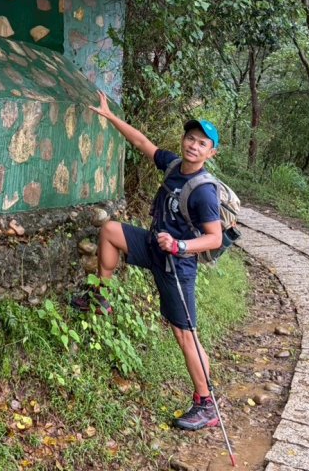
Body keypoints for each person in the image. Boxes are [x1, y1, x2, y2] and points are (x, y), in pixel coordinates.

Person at [71, 90, 224, 431]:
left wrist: (181, 246)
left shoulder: (203, 192)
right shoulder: (172, 165)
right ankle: (101, 296)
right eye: (190, 139)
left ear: (210, 153)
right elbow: (143, 143)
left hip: (176, 264)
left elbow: (214, 237)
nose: (193, 146)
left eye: (202, 144)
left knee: (185, 334)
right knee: (110, 230)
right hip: (154, 247)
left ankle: (205, 403)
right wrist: (110, 117)